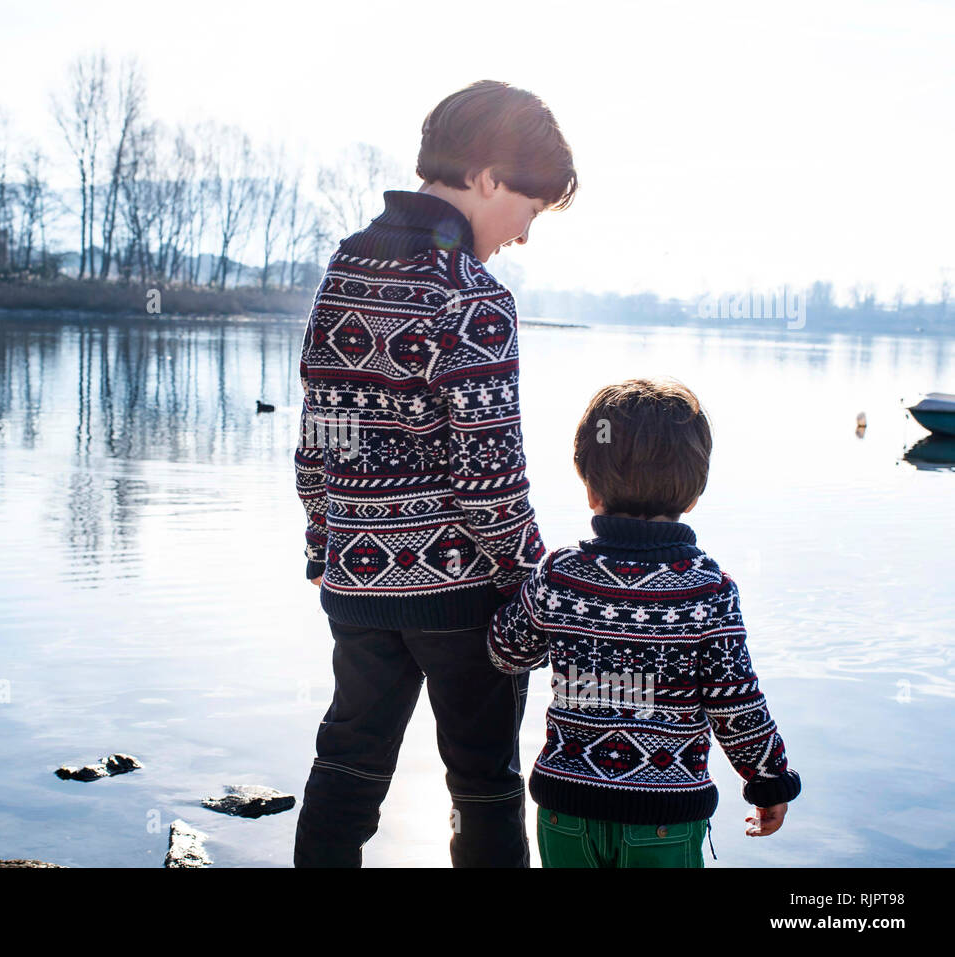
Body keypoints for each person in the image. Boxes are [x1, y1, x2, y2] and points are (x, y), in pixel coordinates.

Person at [292, 80, 577, 867]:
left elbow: (321, 432)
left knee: (348, 763)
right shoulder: (473, 297)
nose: (523, 234)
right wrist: (533, 580)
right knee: (483, 783)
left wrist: (328, 540)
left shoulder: (345, 267)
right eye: (530, 206)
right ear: (488, 176)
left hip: (354, 576)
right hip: (458, 594)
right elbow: (490, 480)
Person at [488, 377, 802, 867]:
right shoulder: (708, 591)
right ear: (694, 492)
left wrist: (517, 585)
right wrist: (768, 780)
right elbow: (736, 702)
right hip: (665, 816)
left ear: (590, 487)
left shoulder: (561, 573)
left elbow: (507, 653)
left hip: (566, 809)